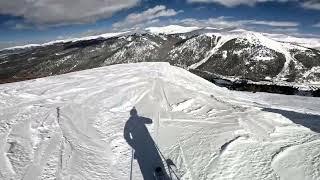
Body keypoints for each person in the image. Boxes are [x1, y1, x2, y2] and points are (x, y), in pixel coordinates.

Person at [124, 107, 168, 180]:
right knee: (156, 163)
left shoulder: (128, 123)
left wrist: (133, 144)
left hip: (139, 149)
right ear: (135, 113)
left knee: (145, 170)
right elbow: (150, 121)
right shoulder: (140, 119)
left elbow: (126, 136)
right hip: (149, 144)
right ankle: (162, 177)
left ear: (131, 114)